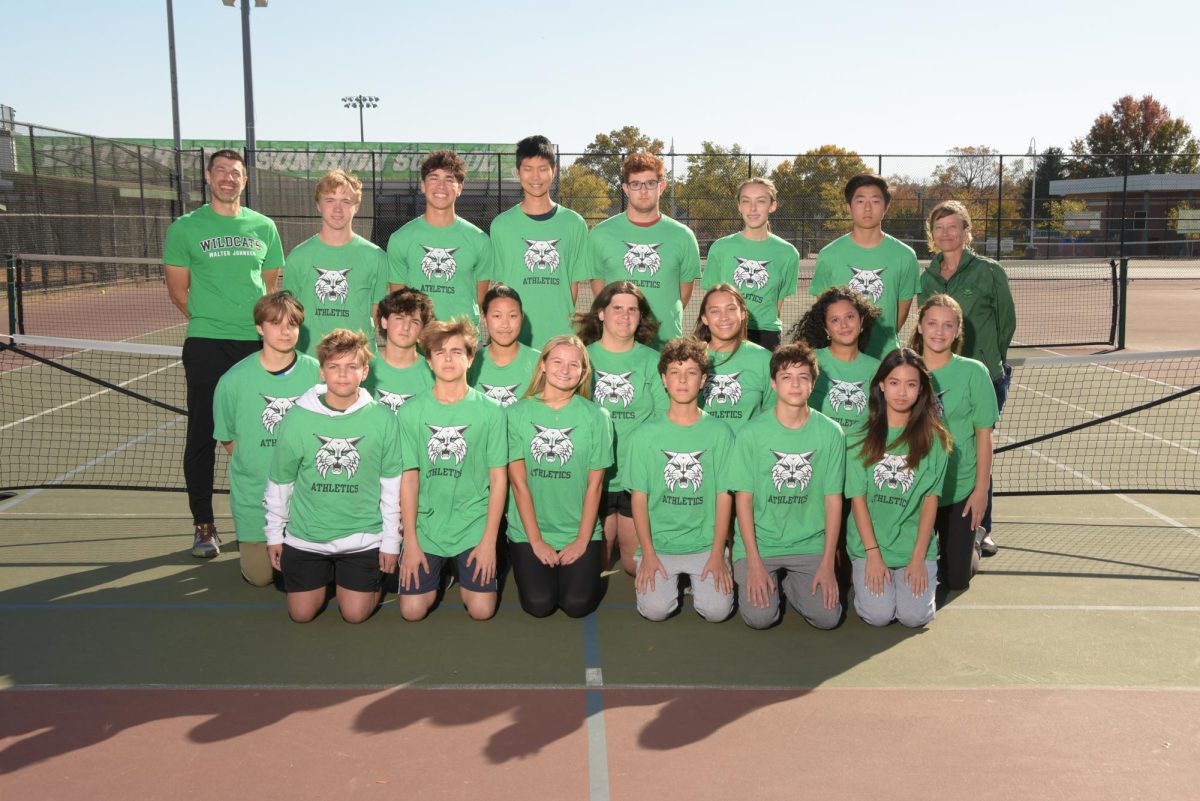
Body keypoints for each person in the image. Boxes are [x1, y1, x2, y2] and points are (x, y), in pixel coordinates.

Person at [164, 148, 284, 558]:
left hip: (255, 345)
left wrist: (251, 329)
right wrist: (213, 321)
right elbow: (179, 291)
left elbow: (269, 287)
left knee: (265, 431)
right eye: (221, 172)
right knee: (202, 433)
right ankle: (204, 524)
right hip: (206, 344)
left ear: (245, 180)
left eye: (235, 173)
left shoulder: (263, 227)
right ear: (208, 177)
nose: (228, 179)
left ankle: (273, 519)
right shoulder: (185, 228)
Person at [262, 328, 403, 623]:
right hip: (307, 538)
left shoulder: (383, 419)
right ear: (322, 372)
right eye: (334, 367)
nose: (343, 375)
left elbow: (391, 488)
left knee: (354, 614)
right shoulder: (298, 417)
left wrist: (390, 542)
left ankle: (364, 582)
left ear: (364, 371)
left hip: (362, 538)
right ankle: (328, 578)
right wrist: (275, 534)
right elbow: (280, 482)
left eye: (352, 367)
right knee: (300, 614)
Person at [919, 200, 1016, 556]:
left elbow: (1006, 322)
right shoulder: (926, 277)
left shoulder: (989, 271)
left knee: (977, 448)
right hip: (941, 379)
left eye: (953, 227)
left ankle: (981, 525)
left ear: (965, 230)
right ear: (933, 235)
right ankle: (941, 519)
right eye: (939, 228)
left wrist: (989, 360)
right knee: (939, 446)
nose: (946, 234)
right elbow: (928, 324)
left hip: (984, 377)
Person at [729, 342, 845, 630]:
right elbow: (742, 501)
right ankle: (756, 574)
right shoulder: (751, 433)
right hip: (761, 544)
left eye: (803, 377)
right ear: (773, 383)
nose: (795, 385)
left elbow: (833, 500)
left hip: (809, 543)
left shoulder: (831, 433)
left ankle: (793, 583)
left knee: (827, 618)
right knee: (760, 618)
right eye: (786, 377)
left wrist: (828, 563)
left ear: (813, 382)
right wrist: (753, 562)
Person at [397, 318, 507, 621]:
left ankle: (463, 568)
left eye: (457, 351)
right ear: (429, 361)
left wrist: (488, 542)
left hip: (473, 524)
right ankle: (443, 571)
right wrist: (411, 542)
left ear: (470, 359)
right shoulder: (410, 412)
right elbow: (409, 479)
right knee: (412, 611)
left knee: (482, 611)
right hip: (427, 528)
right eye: (440, 352)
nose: (448, 358)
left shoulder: (491, 412)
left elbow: (499, 480)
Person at [213, 292, 321, 587]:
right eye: (276, 323)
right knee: (261, 577)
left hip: (308, 498)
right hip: (255, 498)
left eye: (293, 324)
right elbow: (229, 439)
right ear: (260, 328)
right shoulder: (232, 381)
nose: (286, 331)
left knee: (308, 575)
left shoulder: (318, 373)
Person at [626, 337, 735, 623]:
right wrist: (648, 552)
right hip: (660, 546)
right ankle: (672, 578)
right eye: (675, 372)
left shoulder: (720, 433)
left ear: (703, 381)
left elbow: (724, 495)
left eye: (691, 373)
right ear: (664, 379)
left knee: (717, 612)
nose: (683, 380)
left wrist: (717, 552)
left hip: (704, 544)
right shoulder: (644, 436)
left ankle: (699, 576)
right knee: (655, 611)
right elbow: (639, 498)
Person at [506, 335, 613, 617]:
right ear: (542, 365)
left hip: (578, 529)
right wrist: (536, 541)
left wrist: (581, 540)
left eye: (573, 364)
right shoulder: (516, 413)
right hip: (529, 530)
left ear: (583, 372)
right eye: (557, 361)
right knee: (539, 604)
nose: (564, 370)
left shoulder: (597, 416)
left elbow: (595, 485)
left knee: (576, 605)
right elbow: (518, 484)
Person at [846, 348, 950, 627]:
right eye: (894, 382)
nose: (901, 392)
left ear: (921, 390)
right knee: (878, 616)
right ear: (881, 385)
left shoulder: (935, 441)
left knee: (913, 617)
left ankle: (917, 575)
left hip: (913, 546)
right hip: (870, 545)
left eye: (911, 384)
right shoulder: (858, 437)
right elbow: (857, 501)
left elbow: (930, 501)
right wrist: (873, 555)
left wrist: (918, 558)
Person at [576, 281, 667, 575]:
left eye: (632, 310)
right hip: (593, 477)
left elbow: (664, 419)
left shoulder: (653, 361)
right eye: (617, 308)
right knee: (596, 563)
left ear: (641, 317)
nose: (625, 316)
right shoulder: (580, 357)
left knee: (631, 564)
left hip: (634, 477)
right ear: (601, 313)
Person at [910, 294, 999, 593]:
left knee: (956, 579)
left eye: (948, 325)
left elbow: (984, 436)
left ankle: (972, 541)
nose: (939, 331)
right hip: (916, 489)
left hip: (959, 488)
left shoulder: (974, 372)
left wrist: (980, 492)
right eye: (932, 323)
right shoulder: (905, 368)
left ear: (958, 330)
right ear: (920, 326)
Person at [484, 135, 590, 348]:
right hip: (515, 340)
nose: (535, 176)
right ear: (517, 172)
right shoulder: (501, 225)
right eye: (528, 168)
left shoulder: (574, 223)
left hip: (560, 340)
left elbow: (573, 286)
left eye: (542, 168)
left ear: (554, 170)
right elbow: (499, 287)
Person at [588, 152, 701, 348]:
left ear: (662, 186)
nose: (643, 190)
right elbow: (600, 291)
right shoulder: (600, 234)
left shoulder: (683, 235)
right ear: (625, 189)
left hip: (666, 345)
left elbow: (683, 294)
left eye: (650, 183)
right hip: (618, 344)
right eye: (635, 184)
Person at [810, 174, 919, 360]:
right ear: (848, 207)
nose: (867, 208)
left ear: (886, 207)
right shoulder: (828, 255)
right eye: (860, 201)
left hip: (885, 357)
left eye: (875, 201)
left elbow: (901, 312)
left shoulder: (905, 256)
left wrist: (878, 340)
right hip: (839, 358)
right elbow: (823, 309)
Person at [281, 169, 389, 355]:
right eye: (330, 200)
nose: (338, 209)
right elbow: (289, 316)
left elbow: (377, 315)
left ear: (356, 206)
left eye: (346, 201)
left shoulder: (376, 256)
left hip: (359, 364)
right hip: (310, 361)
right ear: (318, 205)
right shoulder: (298, 257)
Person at [387, 150, 490, 326]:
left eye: (449, 179)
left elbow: (480, 299)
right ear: (423, 185)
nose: (441, 186)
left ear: (460, 188)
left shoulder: (480, 240)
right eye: (434, 178)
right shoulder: (400, 239)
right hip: (418, 344)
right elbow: (399, 302)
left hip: (464, 342)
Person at [700, 177, 800, 350]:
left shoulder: (788, 253)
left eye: (760, 201)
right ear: (739, 206)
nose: (753, 208)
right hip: (726, 331)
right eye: (746, 201)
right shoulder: (720, 248)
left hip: (766, 335)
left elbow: (777, 305)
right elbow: (712, 299)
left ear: (773, 205)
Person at [791, 286, 883, 434]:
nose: (844, 325)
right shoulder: (808, 361)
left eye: (850, 317)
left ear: (861, 321)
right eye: (835, 320)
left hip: (862, 455)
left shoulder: (879, 369)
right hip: (818, 453)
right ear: (826, 329)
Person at [693, 284, 775, 432]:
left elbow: (773, 416)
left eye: (731, 309)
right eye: (715, 311)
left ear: (743, 313)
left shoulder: (764, 360)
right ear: (704, 318)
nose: (724, 317)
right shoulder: (691, 359)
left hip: (748, 453)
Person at [467, 284, 541, 408]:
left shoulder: (540, 362)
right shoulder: (470, 363)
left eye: (512, 316)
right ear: (484, 319)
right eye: (497, 316)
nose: (505, 324)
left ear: (521, 317)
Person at [365, 287, 435, 414]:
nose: (406, 327)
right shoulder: (364, 368)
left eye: (414, 322)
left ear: (423, 330)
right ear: (384, 322)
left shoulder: (434, 372)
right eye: (399, 318)